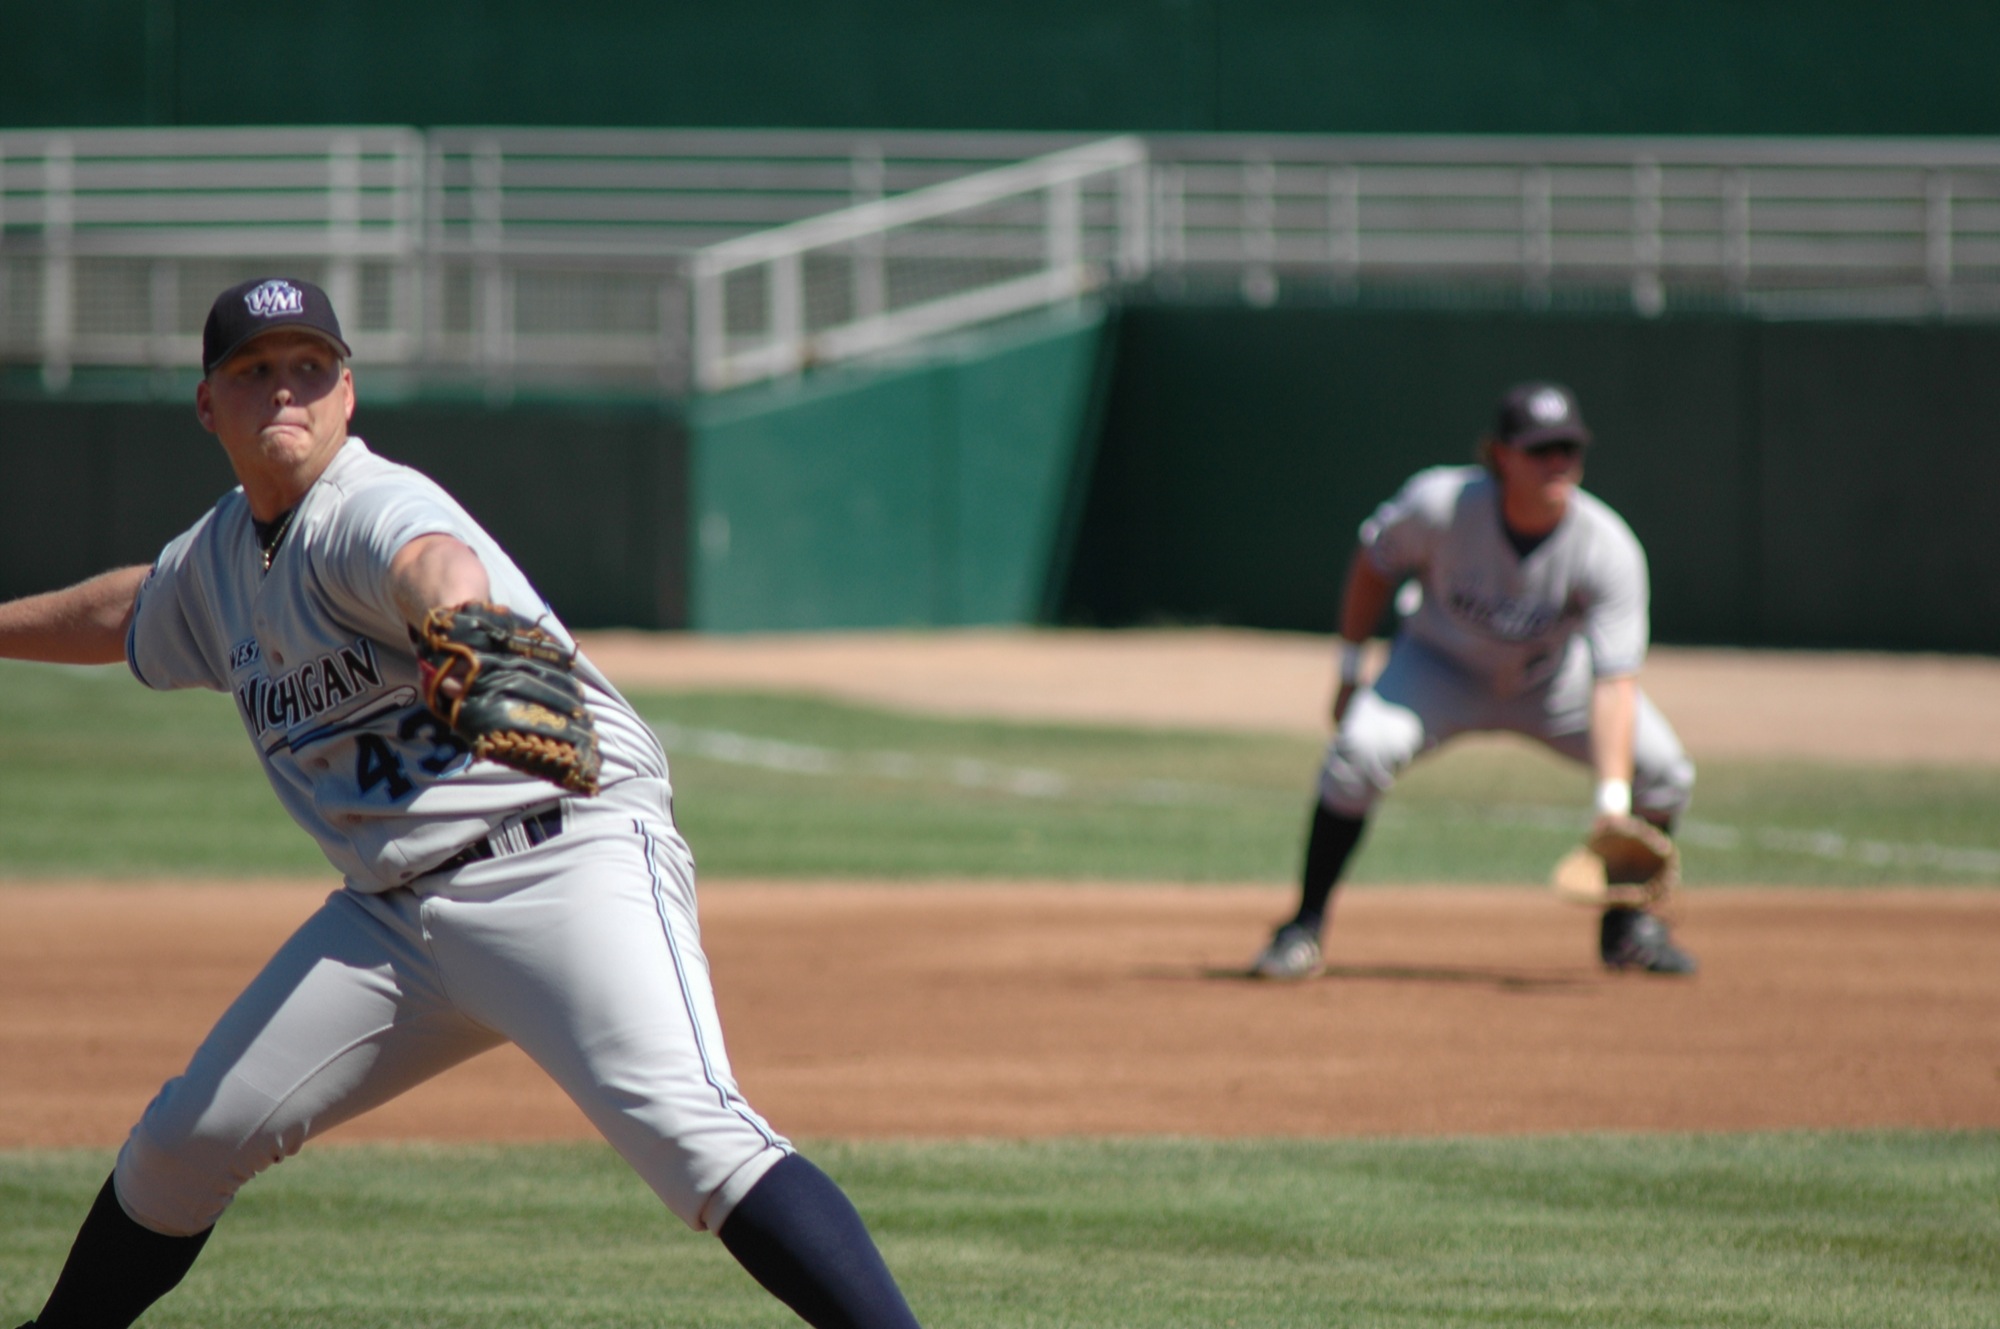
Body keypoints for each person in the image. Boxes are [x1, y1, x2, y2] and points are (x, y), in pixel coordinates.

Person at [1, 278, 924, 1329]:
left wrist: (457, 619)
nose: (285, 394)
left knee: (697, 1144)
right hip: (390, 918)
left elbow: (433, 561)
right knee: (185, 1142)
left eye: (309, 369)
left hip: (558, 866)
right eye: (254, 373)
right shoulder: (220, 559)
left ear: (348, 392)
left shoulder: (365, 507)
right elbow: (131, 609)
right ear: (209, 406)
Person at [1251, 381, 1698, 981]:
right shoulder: (1439, 505)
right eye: (1541, 449)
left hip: (1551, 684)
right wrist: (1351, 668)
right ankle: (1303, 927)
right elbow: (1374, 562)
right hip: (1440, 666)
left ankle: (1627, 931)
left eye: (1569, 448)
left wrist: (1611, 802)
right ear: (1499, 455)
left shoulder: (1606, 546)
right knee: (1357, 754)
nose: (1558, 462)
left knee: (1664, 771)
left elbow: (1614, 681)